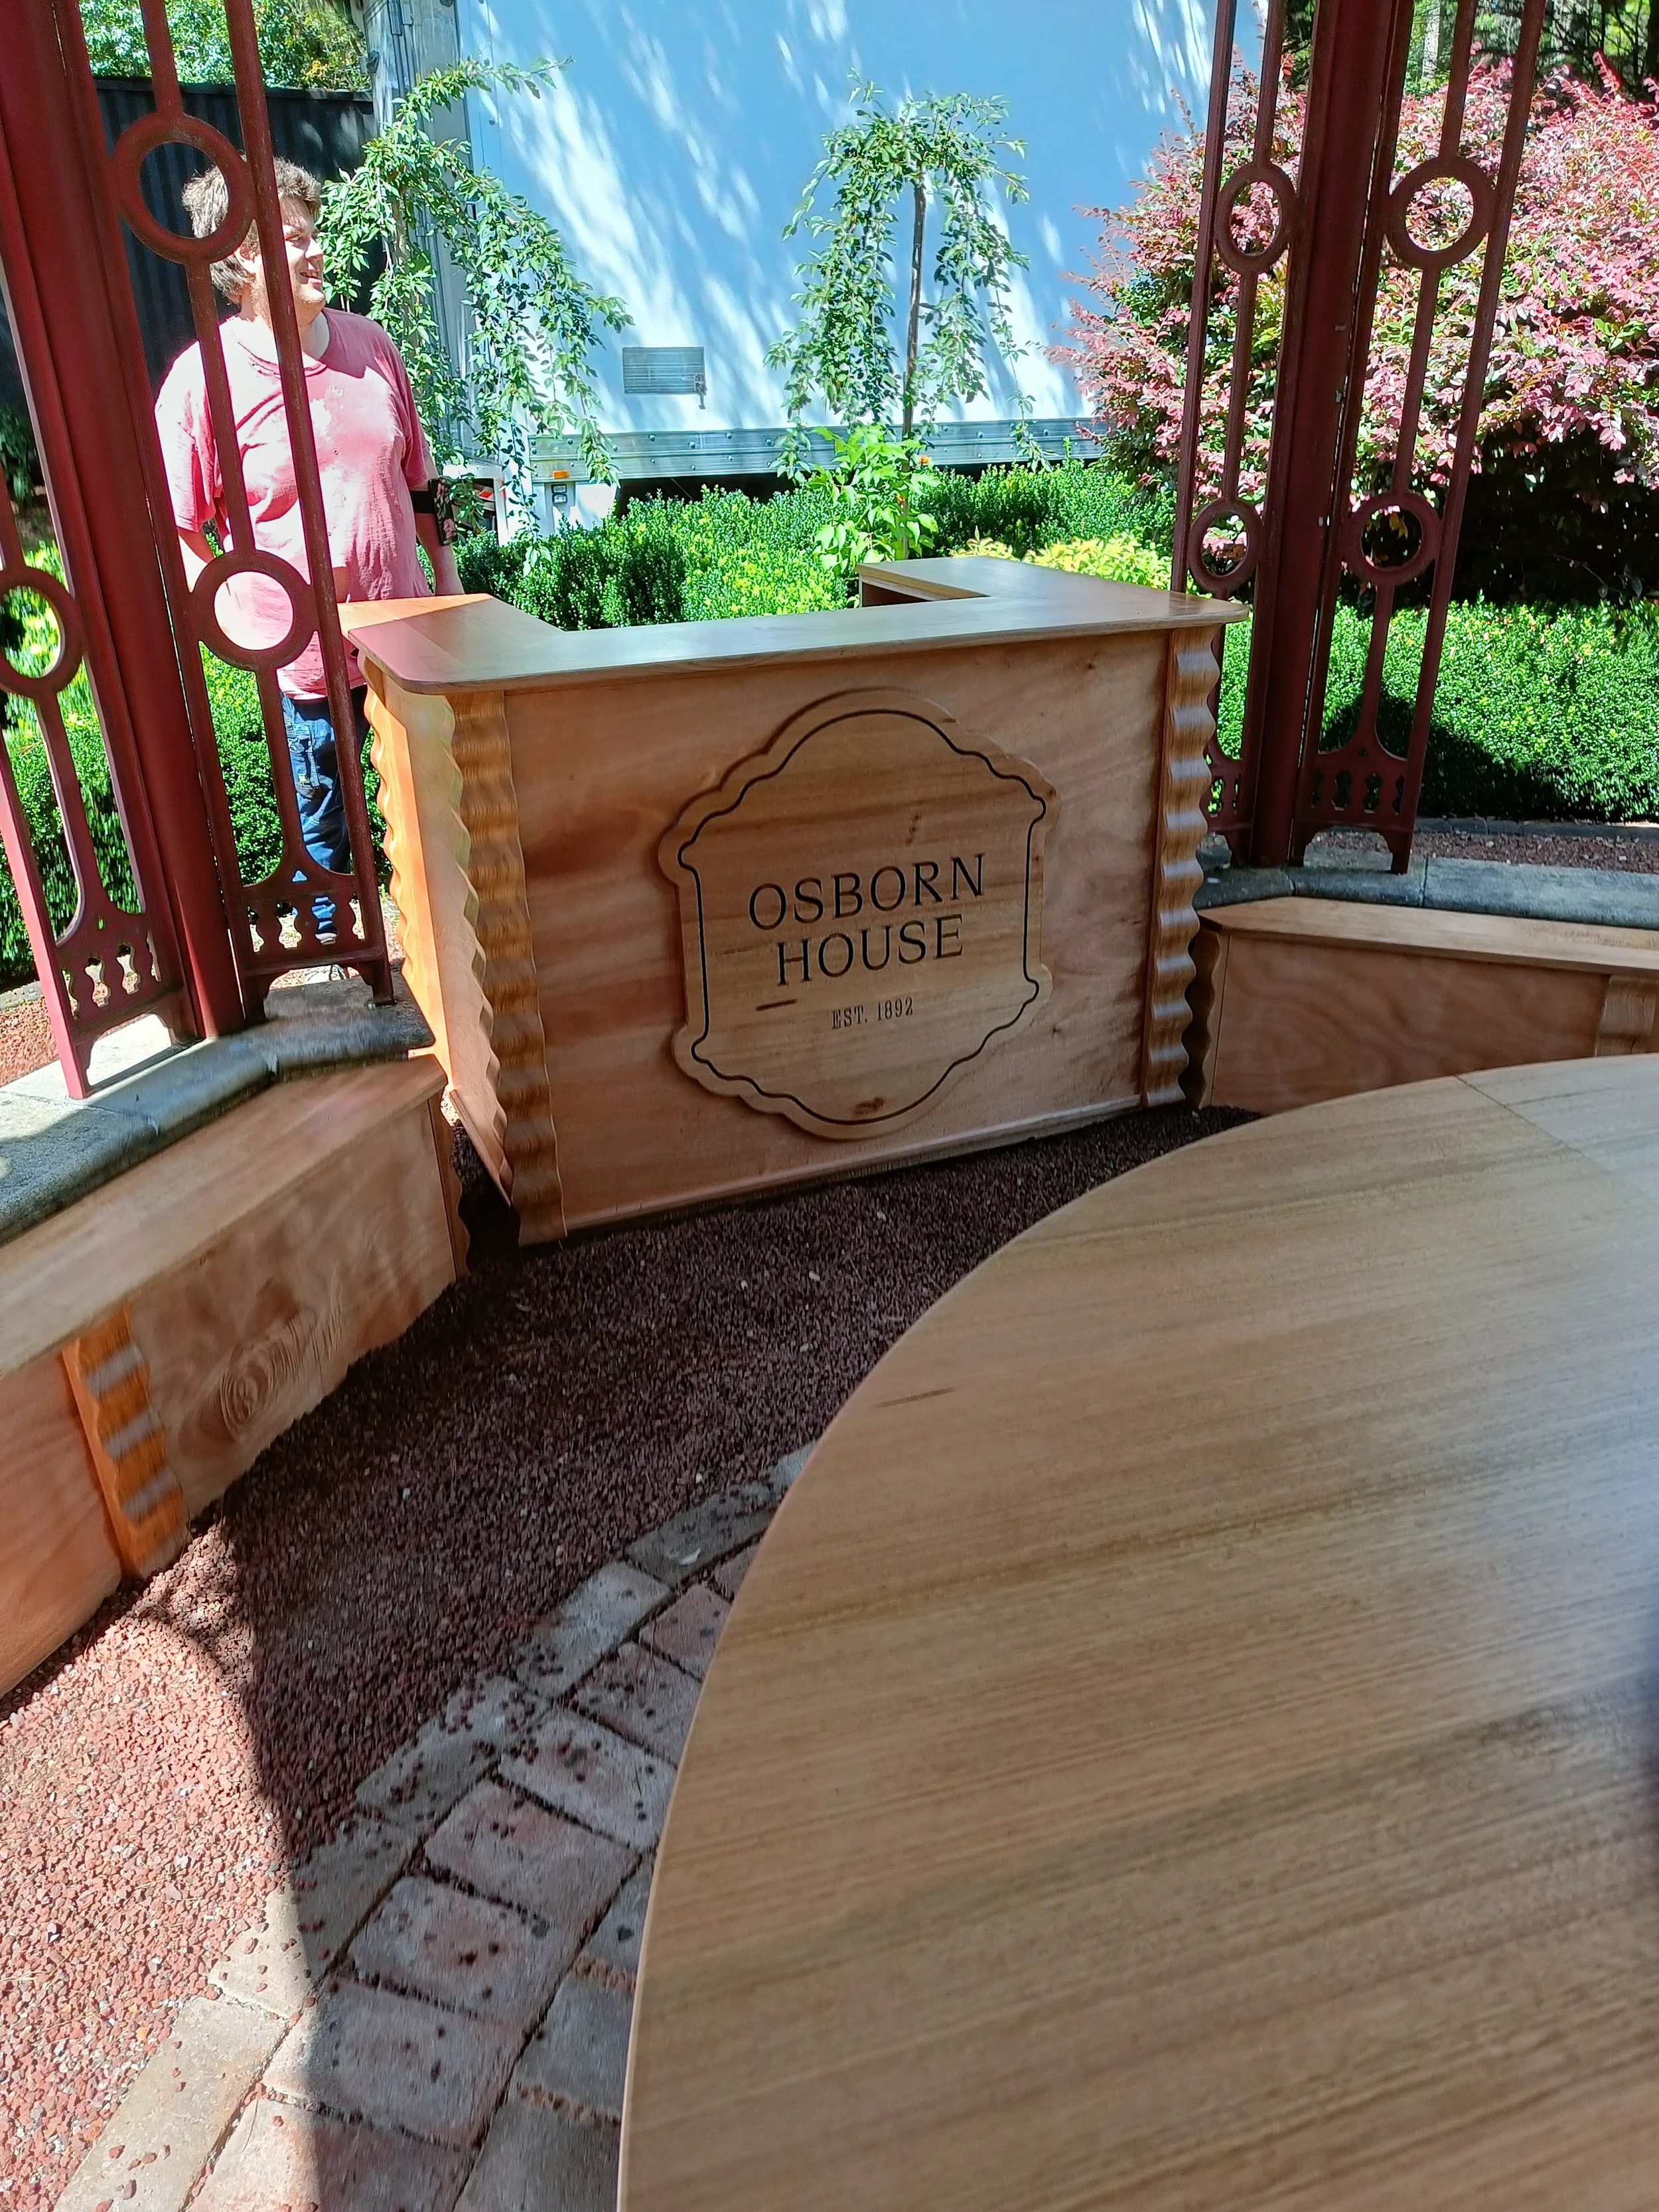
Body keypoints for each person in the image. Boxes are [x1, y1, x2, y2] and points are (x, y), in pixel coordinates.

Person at [155, 157, 462, 941]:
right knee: (327, 832)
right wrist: (237, 623)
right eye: (289, 239)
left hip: (404, 643)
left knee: (433, 818)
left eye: (311, 232)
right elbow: (182, 528)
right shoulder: (203, 381)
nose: (313, 251)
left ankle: (444, 957)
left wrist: (450, 588)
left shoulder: (372, 348)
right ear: (240, 262)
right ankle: (345, 964)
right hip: (300, 663)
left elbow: (420, 485)